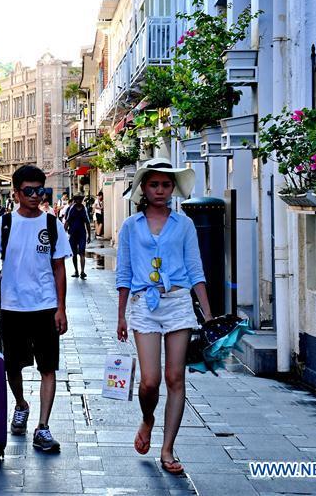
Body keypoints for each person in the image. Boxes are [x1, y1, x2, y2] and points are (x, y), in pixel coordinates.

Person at [115, 158, 213, 476]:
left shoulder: (183, 224)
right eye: (154, 184)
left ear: (173, 188)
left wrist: (208, 315)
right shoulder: (131, 226)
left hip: (178, 304)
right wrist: (121, 315)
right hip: (144, 304)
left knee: (175, 378)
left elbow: (195, 268)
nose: (160, 190)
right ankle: (147, 418)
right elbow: (125, 272)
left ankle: (168, 449)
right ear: (144, 188)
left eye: (166, 185)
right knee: (150, 381)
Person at [0, 166, 72, 453]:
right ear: (17, 193)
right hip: (12, 306)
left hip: (45, 306)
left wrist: (61, 308)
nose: (35, 196)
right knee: (12, 365)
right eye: (29, 191)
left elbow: (59, 269)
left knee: (48, 367)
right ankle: (20, 403)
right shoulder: (4, 223)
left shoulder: (52, 224)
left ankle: (43, 427)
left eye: (39, 190)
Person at [65, 194, 92, 279]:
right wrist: (63, 233)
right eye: (77, 199)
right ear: (75, 200)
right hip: (73, 234)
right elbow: (67, 221)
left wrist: (89, 235)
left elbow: (87, 223)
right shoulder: (71, 209)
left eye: (80, 199)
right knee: (74, 254)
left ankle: (82, 271)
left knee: (82, 252)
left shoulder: (84, 209)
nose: (79, 201)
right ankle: (76, 271)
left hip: (82, 234)